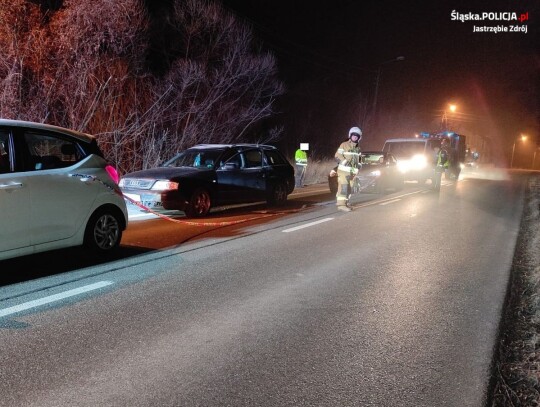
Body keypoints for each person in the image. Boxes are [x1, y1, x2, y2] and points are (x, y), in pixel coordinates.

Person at [334, 127, 362, 211]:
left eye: (357, 136)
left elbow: (359, 159)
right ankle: (341, 205)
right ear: (350, 135)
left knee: (350, 188)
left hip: (352, 172)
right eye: (353, 136)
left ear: (359, 138)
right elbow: (337, 155)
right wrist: (344, 161)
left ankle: (345, 203)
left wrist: (359, 166)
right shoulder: (344, 144)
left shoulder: (358, 148)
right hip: (343, 171)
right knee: (344, 187)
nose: (355, 137)